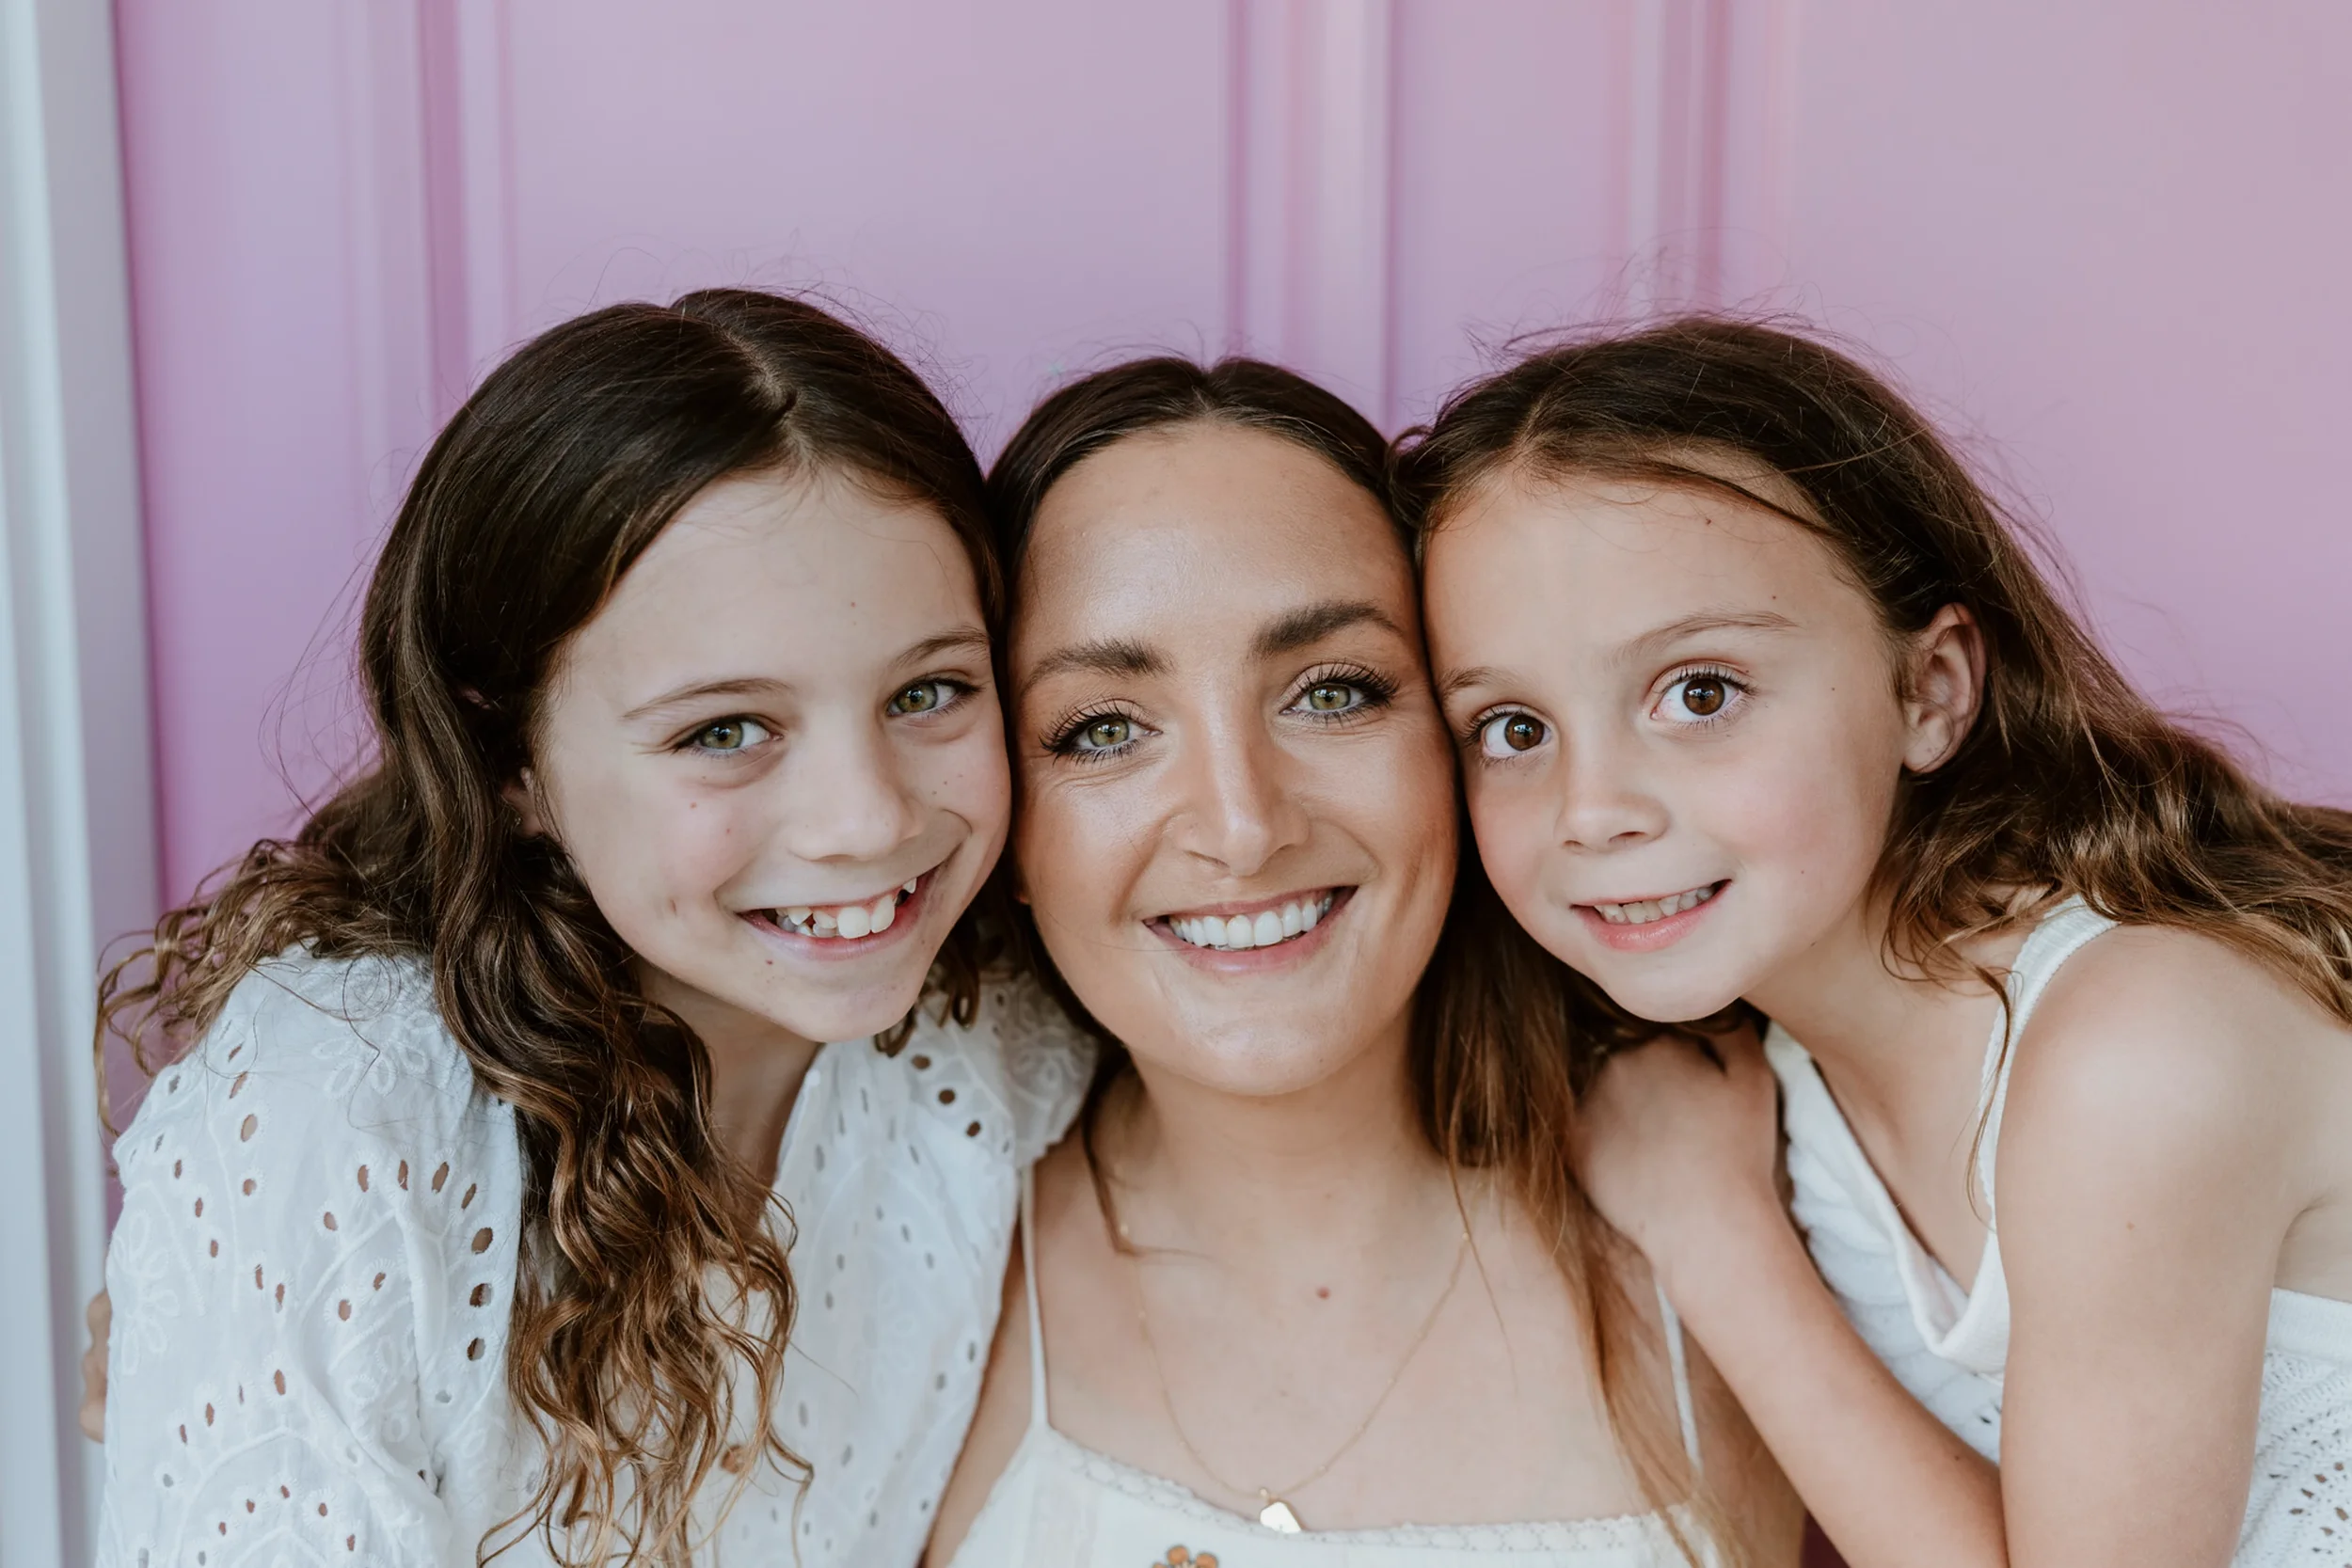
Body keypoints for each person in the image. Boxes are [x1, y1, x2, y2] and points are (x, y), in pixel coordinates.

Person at [94, 289, 1090, 1568]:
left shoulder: (1001, 1042)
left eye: (929, 690)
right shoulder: (337, 1112)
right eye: (724, 729)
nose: (864, 818)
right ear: (510, 758)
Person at [1404, 316, 2352, 1566]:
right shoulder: (1761, 1077)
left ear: (1931, 690)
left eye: (1700, 690)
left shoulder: (2136, 1045)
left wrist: (1715, 1234)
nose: (1592, 809)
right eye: (1513, 725)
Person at [926, 357, 1804, 1565]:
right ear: (1003, 819)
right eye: (1104, 728)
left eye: (1332, 692)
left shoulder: (1747, 1195)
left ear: (1463, 745)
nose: (1242, 825)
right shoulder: (918, 1254)